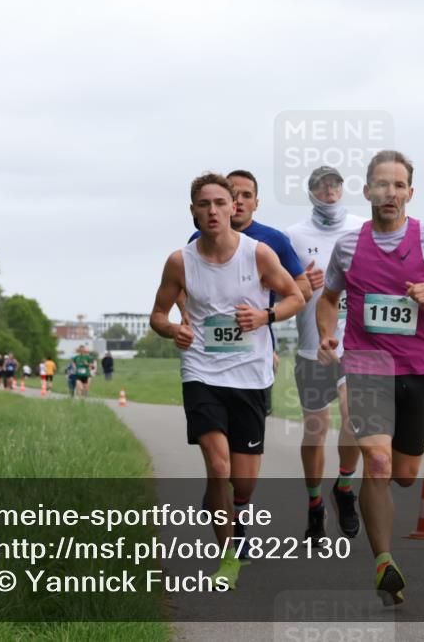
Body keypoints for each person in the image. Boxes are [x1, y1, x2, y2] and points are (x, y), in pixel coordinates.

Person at [318, 150, 424, 606]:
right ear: (367, 190)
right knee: (381, 464)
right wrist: (328, 336)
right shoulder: (349, 245)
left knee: (406, 475)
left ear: (411, 192)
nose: (390, 193)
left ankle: (355, 502)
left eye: (398, 185)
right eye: (381, 184)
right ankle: (384, 561)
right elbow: (328, 299)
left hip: (416, 368)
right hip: (367, 364)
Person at [150, 172, 305, 589]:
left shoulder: (258, 254)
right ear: (194, 211)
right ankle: (229, 557)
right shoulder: (180, 261)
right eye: (205, 204)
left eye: (221, 202)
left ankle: (227, 502)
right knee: (218, 468)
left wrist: (265, 316)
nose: (214, 210)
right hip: (201, 371)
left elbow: (296, 296)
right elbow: (158, 314)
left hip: (251, 375)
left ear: (234, 206)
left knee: (244, 481)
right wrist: (173, 330)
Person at [187, 169, 314, 417]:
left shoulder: (272, 241)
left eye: (247, 195)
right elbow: (186, 287)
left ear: (255, 203)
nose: (241, 200)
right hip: (207, 355)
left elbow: (302, 290)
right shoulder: (198, 239)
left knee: (247, 437)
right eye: (236, 194)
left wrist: (265, 310)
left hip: (254, 346)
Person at [286, 166, 366, 541]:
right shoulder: (294, 236)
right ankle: (315, 503)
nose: (330, 191)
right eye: (322, 185)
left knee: (356, 418)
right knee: (316, 430)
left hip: (356, 342)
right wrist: (302, 283)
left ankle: (345, 488)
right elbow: (281, 290)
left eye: (335, 184)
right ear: (311, 192)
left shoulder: (364, 228)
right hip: (310, 347)